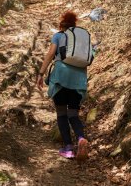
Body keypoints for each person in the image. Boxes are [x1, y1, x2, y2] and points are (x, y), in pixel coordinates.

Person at [37, 11, 89, 161]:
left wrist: (41, 73)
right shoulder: (80, 41)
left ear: (61, 24)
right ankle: (80, 139)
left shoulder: (58, 36)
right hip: (78, 80)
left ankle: (68, 148)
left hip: (61, 77)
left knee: (61, 113)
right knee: (73, 114)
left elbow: (50, 54)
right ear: (75, 25)